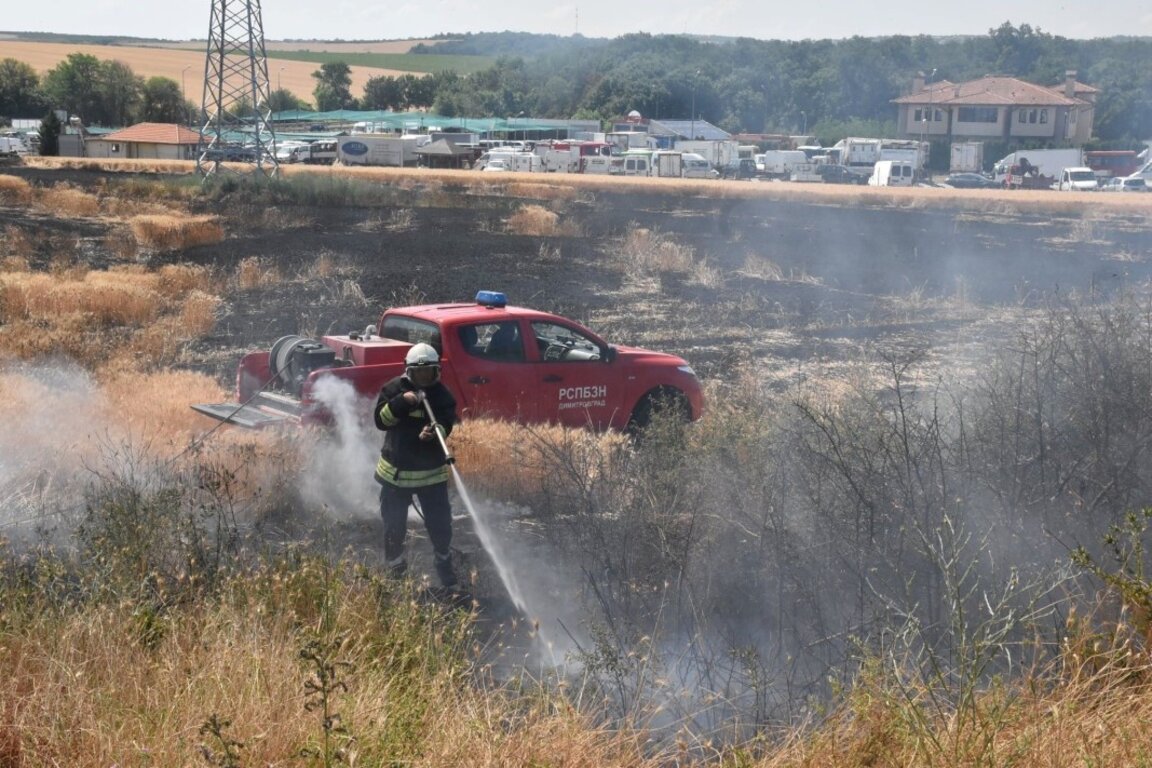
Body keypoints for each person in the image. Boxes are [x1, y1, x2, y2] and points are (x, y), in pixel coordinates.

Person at [373, 342, 459, 589]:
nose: (423, 379)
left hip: (430, 476)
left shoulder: (442, 396)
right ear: (408, 372)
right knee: (394, 526)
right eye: (418, 374)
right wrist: (402, 402)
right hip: (395, 476)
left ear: (436, 372)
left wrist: (435, 432)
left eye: (428, 373)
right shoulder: (392, 390)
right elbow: (381, 420)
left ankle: (443, 563)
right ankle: (395, 566)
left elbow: (446, 423)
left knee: (441, 525)